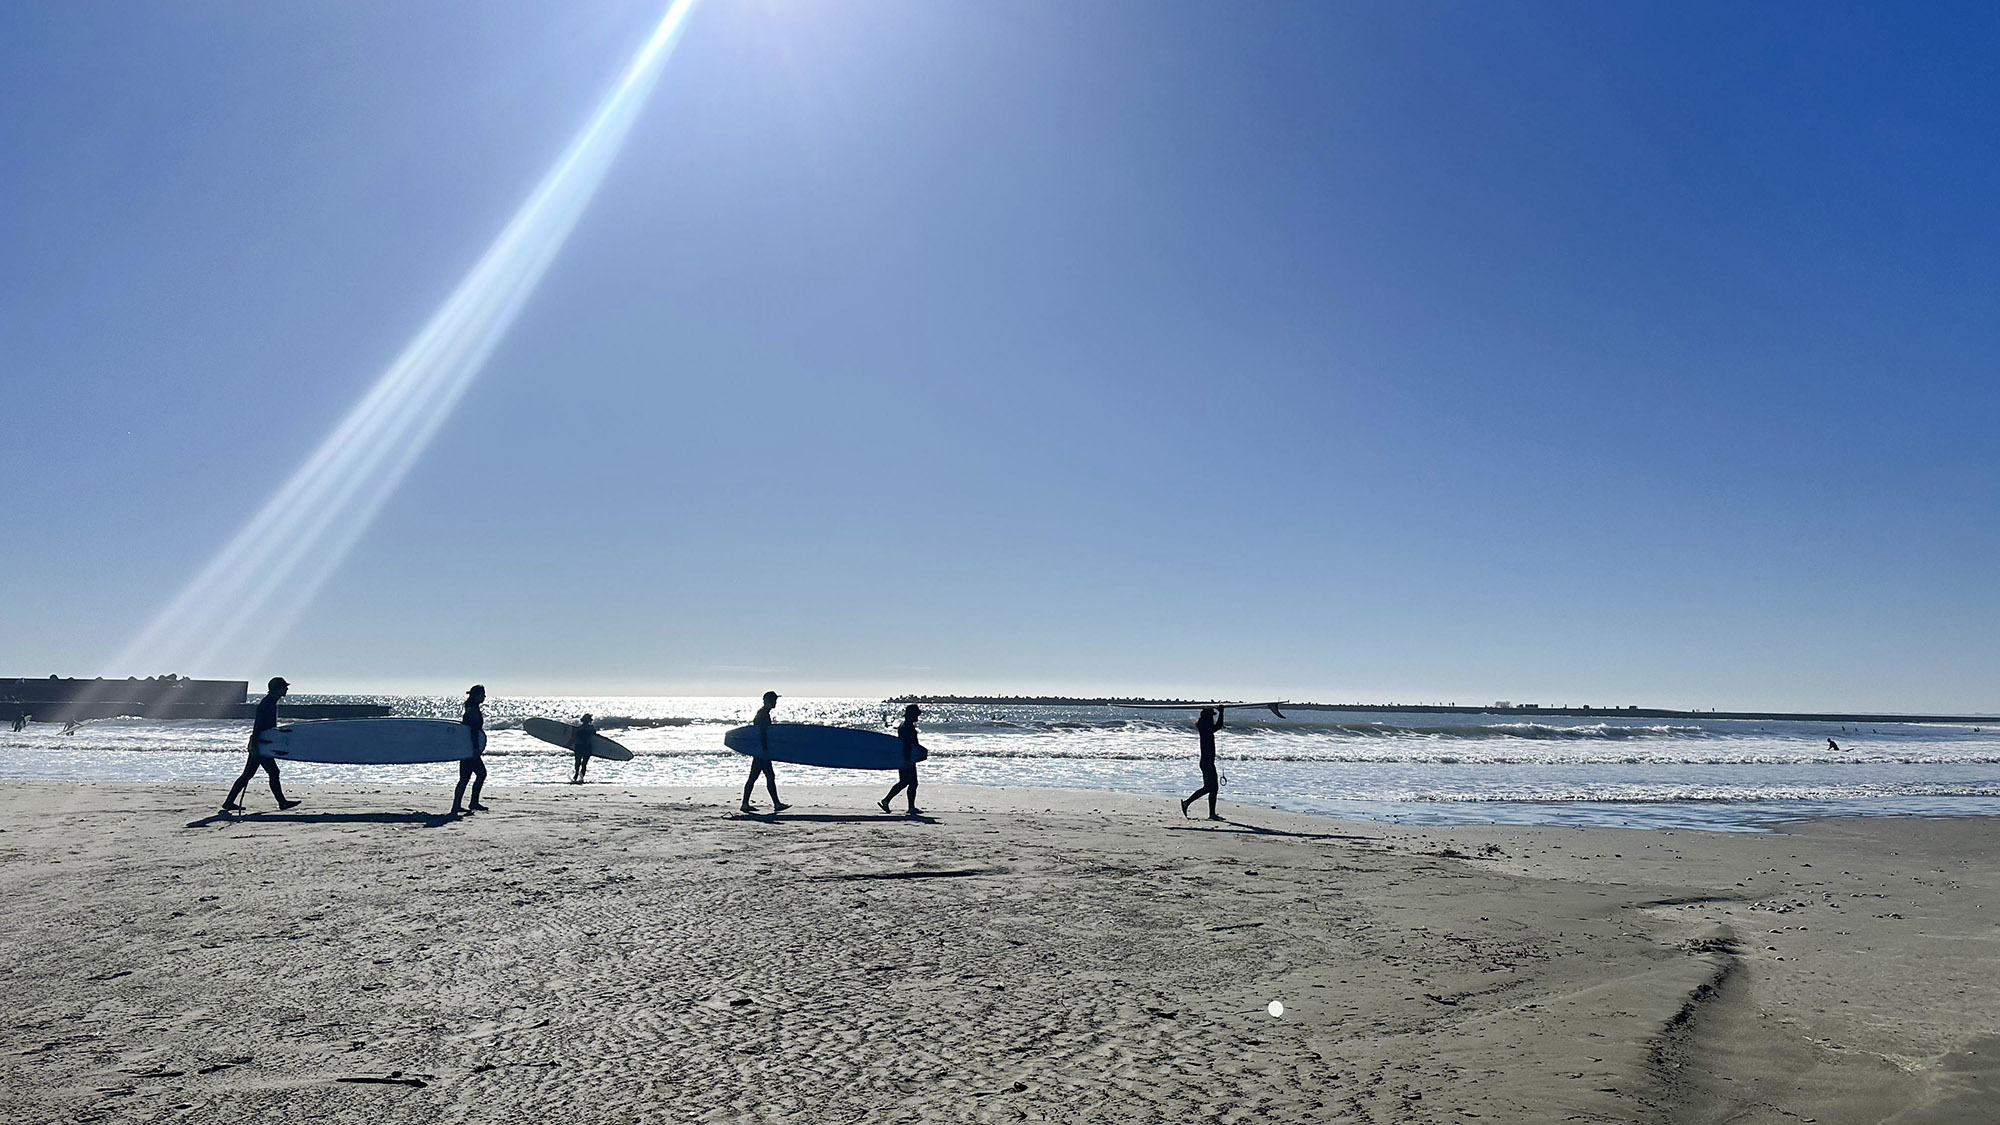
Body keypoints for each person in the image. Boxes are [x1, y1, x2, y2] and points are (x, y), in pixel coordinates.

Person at [223, 677, 300, 812]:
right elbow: (258, 725)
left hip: (262, 742)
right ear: (277, 689)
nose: (286, 689)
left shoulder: (270, 702)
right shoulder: (268, 703)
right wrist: (257, 745)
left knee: (249, 774)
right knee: (270, 772)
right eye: (284, 687)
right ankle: (282, 802)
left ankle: (229, 802)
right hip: (261, 744)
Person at [740, 691, 789, 814]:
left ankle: (745, 804)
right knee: (767, 776)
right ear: (769, 701)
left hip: (760, 751)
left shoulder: (763, 713)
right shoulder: (763, 715)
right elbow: (762, 733)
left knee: (756, 777)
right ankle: (776, 804)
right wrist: (765, 750)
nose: (776, 703)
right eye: (774, 700)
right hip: (761, 751)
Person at [878, 703, 927, 816]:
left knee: (905, 782)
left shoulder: (905, 725)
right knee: (911, 782)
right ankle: (909, 807)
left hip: (906, 757)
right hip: (907, 757)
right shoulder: (907, 727)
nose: (917, 717)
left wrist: (920, 750)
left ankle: (888, 801)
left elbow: (911, 744)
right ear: (911, 715)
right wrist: (908, 759)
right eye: (916, 715)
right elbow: (906, 745)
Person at [1180, 705, 1226, 820]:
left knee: (1212, 788)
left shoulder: (1204, 726)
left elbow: (1217, 726)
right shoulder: (1206, 728)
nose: (1212, 718)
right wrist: (1222, 712)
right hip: (1207, 763)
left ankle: (1212, 814)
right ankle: (1187, 803)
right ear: (1208, 717)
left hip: (1207, 762)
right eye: (1212, 716)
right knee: (1210, 787)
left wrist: (1220, 712)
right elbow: (1219, 725)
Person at [452, 684, 490, 815]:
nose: (484, 697)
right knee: (481, 774)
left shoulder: (470, 708)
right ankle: (472, 802)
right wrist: (475, 748)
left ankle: (456, 806)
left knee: (465, 777)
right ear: (477, 695)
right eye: (482, 694)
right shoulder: (472, 711)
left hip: (466, 749)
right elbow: (473, 731)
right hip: (469, 749)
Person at [569, 713, 598, 784]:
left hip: (579, 746)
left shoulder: (579, 728)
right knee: (584, 763)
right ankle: (581, 777)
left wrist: (570, 745)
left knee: (578, 762)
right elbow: (596, 738)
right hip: (586, 746)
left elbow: (574, 738)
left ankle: (577, 774)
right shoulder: (591, 728)